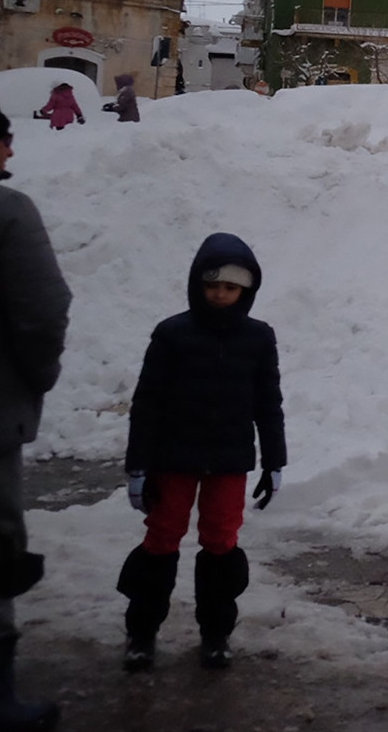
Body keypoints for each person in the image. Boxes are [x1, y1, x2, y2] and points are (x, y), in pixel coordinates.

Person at [117, 234, 285, 672]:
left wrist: (274, 461)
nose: (220, 295)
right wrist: (138, 465)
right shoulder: (172, 334)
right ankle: (141, 632)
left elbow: (268, 403)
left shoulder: (258, 338)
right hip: (172, 458)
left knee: (220, 543)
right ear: (197, 284)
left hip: (228, 462)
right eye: (212, 285)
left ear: (245, 291)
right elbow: (147, 402)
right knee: (162, 537)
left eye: (231, 288)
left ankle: (215, 634)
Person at [0, 100, 72, 731]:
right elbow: (43, 311)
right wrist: (34, 382)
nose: (10, 152)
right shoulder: (6, 212)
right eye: (3, 141)